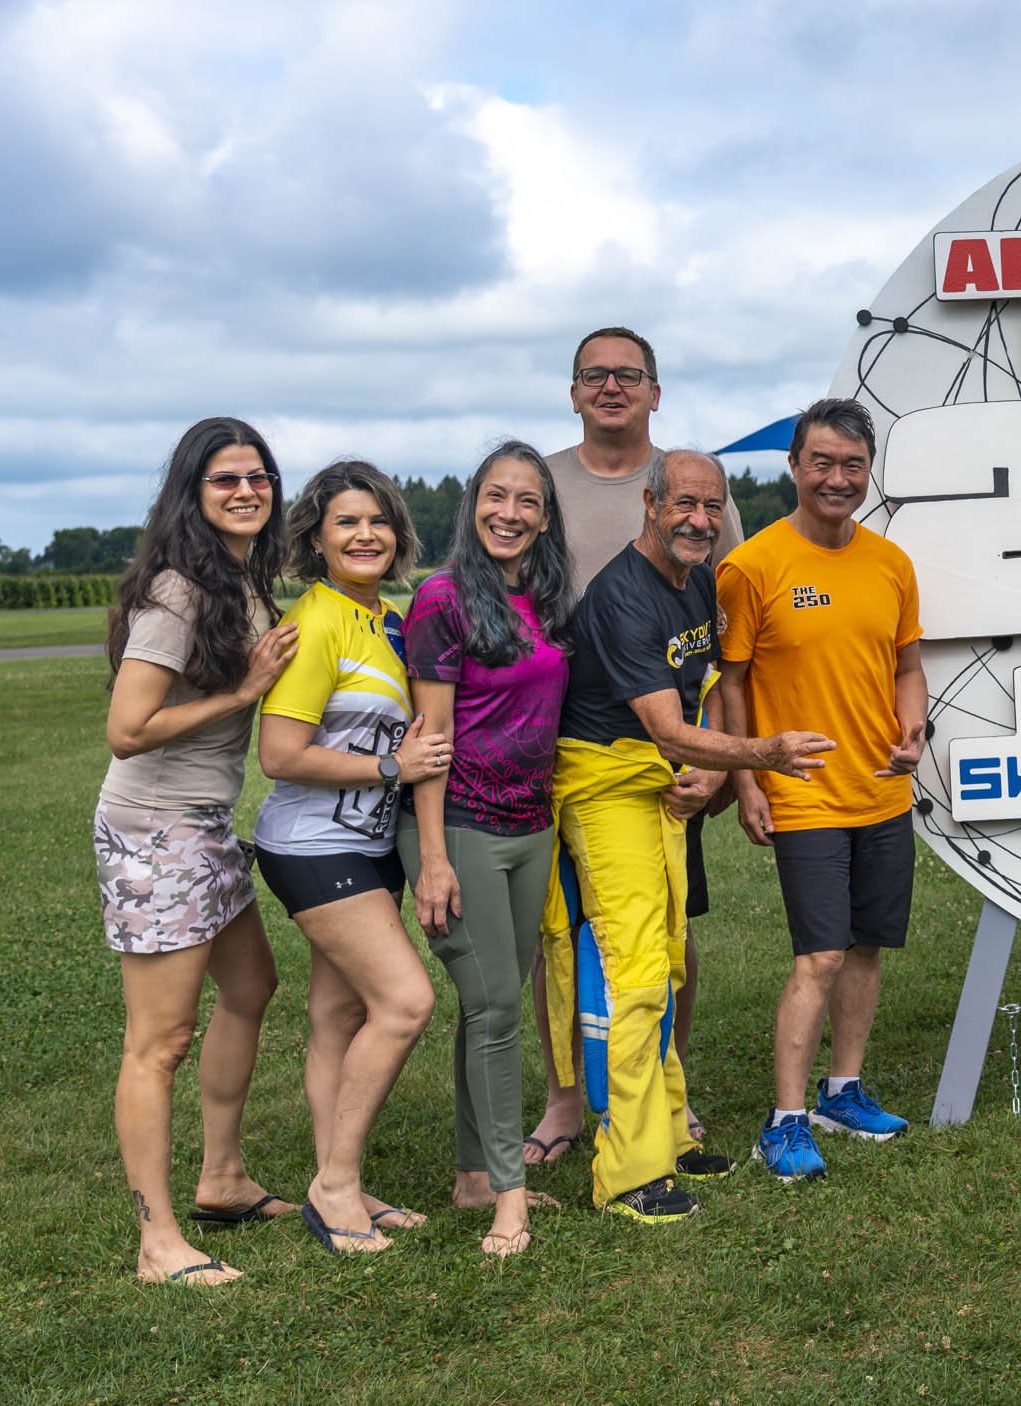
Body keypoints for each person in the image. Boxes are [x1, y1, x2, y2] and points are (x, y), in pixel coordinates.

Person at [545, 448, 829, 1221]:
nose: (700, 521)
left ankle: (669, 1135)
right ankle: (629, 1175)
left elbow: (698, 688)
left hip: (655, 780)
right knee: (634, 970)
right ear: (650, 503)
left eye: (712, 506)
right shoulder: (623, 598)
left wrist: (708, 765)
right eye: (684, 505)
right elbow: (665, 724)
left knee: (667, 960)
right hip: (604, 784)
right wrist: (758, 759)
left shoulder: (696, 581)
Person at [527, 326, 747, 1166]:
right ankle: (565, 1100)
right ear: (573, 390)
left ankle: (664, 1085)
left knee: (664, 935)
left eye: (629, 375)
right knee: (568, 930)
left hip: (663, 753)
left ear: (656, 391)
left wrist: (713, 762)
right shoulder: (540, 484)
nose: (611, 386)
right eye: (595, 375)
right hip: (561, 743)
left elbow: (721, 646)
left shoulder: (697, 491)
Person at [96, 418, 300, 1286]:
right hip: (155, 829)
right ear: (193, 491)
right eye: (225, 480)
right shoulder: (179, 592)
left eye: (258, 476)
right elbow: (128, 727)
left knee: (252, 986)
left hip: (206, 825)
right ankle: (157, 1241)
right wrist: (247, 690)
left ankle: (222, 1179)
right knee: (159, 1041)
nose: (247, 490)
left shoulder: (239, 582)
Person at [719, 399, 927, 1181]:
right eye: (822, 463)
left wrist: (915, 731)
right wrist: (747, 780)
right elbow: (731, 682)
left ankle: (842, 1093)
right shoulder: (754, 565)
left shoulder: (889, 564)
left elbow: (908, 665)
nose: (837, 479)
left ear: (868, 471)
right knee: (820, 956)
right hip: (803, 793)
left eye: (852, 465)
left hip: (882, 793)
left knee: (867, 948)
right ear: (794, 467)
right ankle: (783, 1120)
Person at [253, 460, 452, 1254]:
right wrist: (389, 769)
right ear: (316, 538)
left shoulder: (392, 619)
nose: (365, 534)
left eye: (378, 521)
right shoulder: (317, 622)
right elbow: (278, 753)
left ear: (399, 535)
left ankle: (345, 1179)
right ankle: (333, 1188)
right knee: (404, 1002)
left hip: (373, 846)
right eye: (346, 522)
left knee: (336, 1016)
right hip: (312, 844)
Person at [397, 442, 573, 1258]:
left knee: (491, 1007)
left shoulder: (544, 597)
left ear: (545, 517)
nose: (510, 513)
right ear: (474, 505)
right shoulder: (443, 599)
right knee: (499, 1008)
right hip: (460, 823)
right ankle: (508, 1200)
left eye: (527, 501)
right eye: (496, 497)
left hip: (531, 827)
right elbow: (428, 737)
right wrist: (431, 856)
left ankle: (475, 1173)